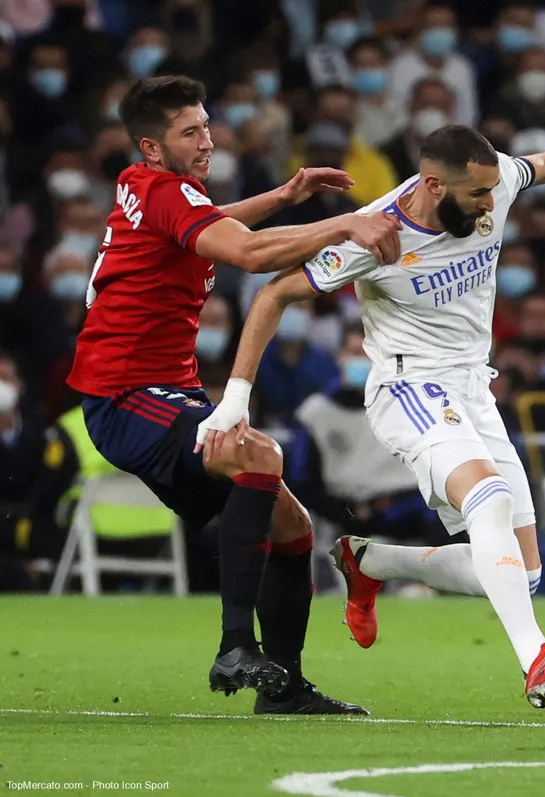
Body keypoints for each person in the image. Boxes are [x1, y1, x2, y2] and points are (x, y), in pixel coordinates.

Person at [198, 124, 545, 709]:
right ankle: (534, 657)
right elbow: (273, 295)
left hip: (473, 388)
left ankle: (369, 561)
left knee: (519, 576)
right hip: (408, 385)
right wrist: (236, 397)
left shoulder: (491, 182)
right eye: (475, 195)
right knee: (489, 499)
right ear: (432, 184)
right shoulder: (377, 234)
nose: (489, 204)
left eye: (492, 190)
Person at [65, 76, 403, 714]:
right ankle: (233, 646)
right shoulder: (165, 190)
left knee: (292, 524)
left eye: (206, 126)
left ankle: (283, 688)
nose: (207, 140)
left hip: (160, 391)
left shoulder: (151, 188)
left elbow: (215, 225)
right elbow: (245, 255)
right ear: (151, 146)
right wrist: (344, 225)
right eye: (189, 131)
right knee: (259, 455)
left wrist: (285, 195)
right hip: (126, 394)